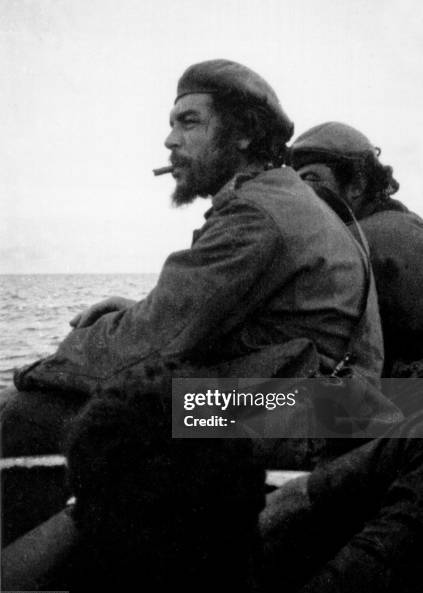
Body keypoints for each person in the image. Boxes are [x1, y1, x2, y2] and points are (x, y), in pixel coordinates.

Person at [2, 61, 393, 462]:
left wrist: (37, 373)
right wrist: (140, 312)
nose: (170, 141)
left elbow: (147, 343)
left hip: (299, 415)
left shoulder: (256, 213)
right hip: (333, 407)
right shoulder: (284, 198)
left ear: (243, 133)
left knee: (30, 414)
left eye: (188, 123)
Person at [289, 122, 423, 377]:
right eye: (294, 183)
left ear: (357, 185)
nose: (300, 194)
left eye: (311, 178)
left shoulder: (354, 243)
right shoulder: (404, 225)